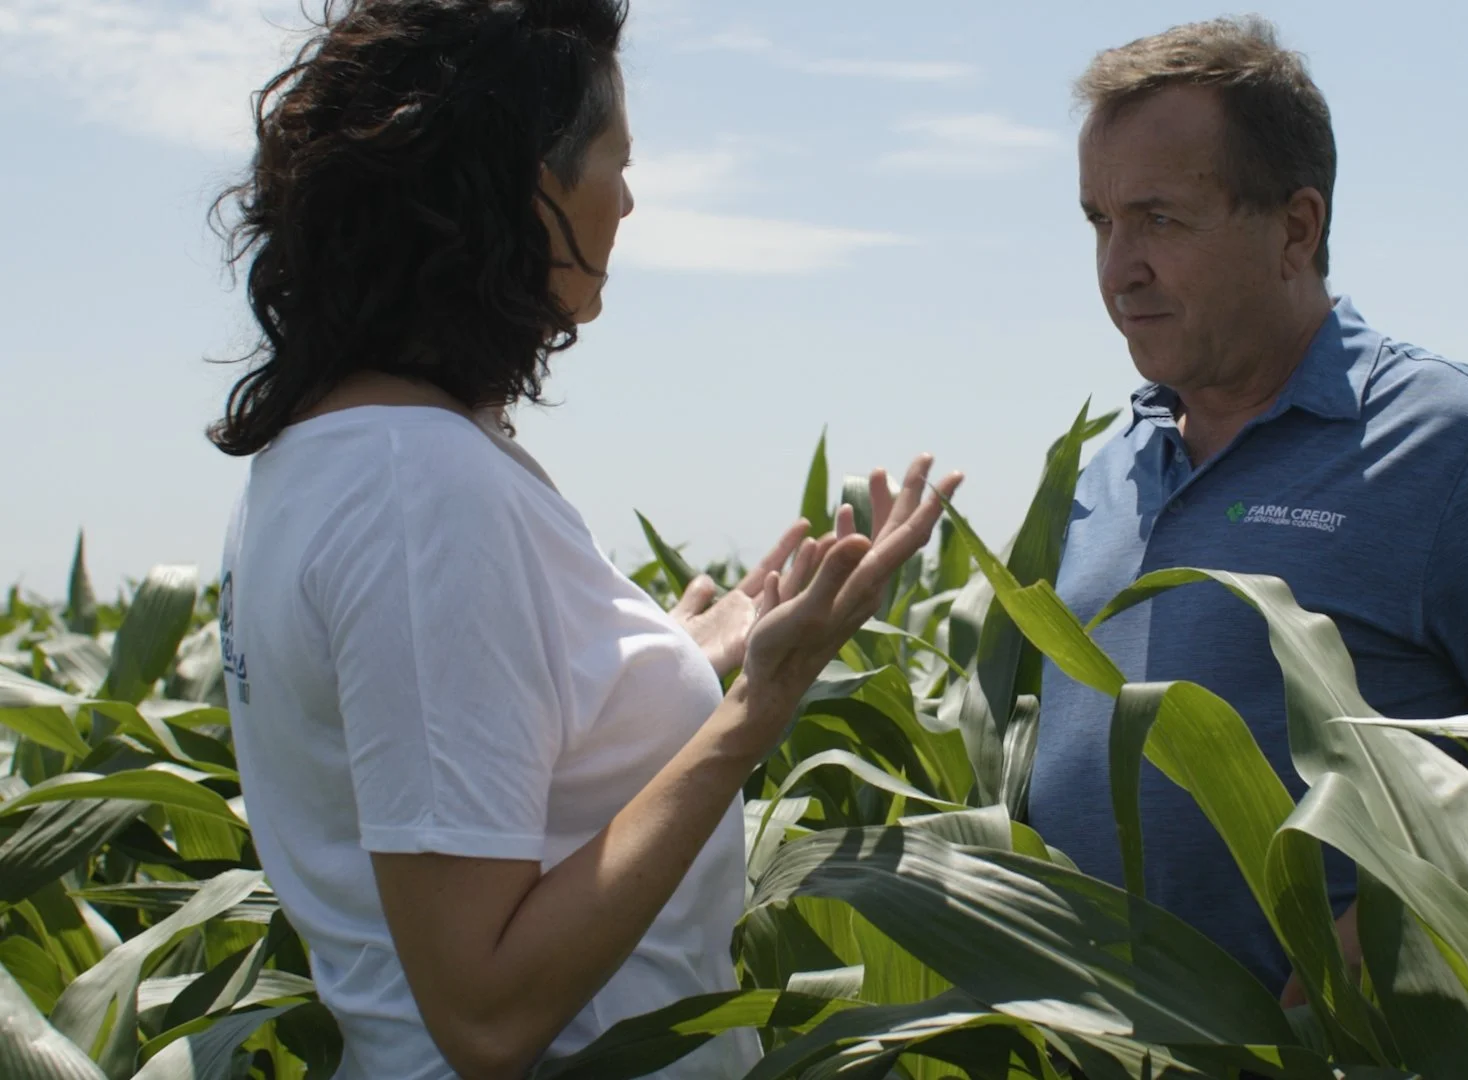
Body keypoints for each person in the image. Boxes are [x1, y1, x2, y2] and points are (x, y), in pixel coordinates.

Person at [209, 2, 961, 1077]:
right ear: (527, 185)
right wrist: (757, 708)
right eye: (617, 160)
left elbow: (467, 762)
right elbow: (486, 1010)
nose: (630, 200)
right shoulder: (420, 491)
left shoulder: (328, 454)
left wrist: (649, 678)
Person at [1028, 16, 1468, 999]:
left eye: (1159, 219)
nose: (1119, 268)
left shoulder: (1463, 445)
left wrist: (1392, 946)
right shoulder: (1104, 472)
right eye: (1100, 222)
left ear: (1295, 228)